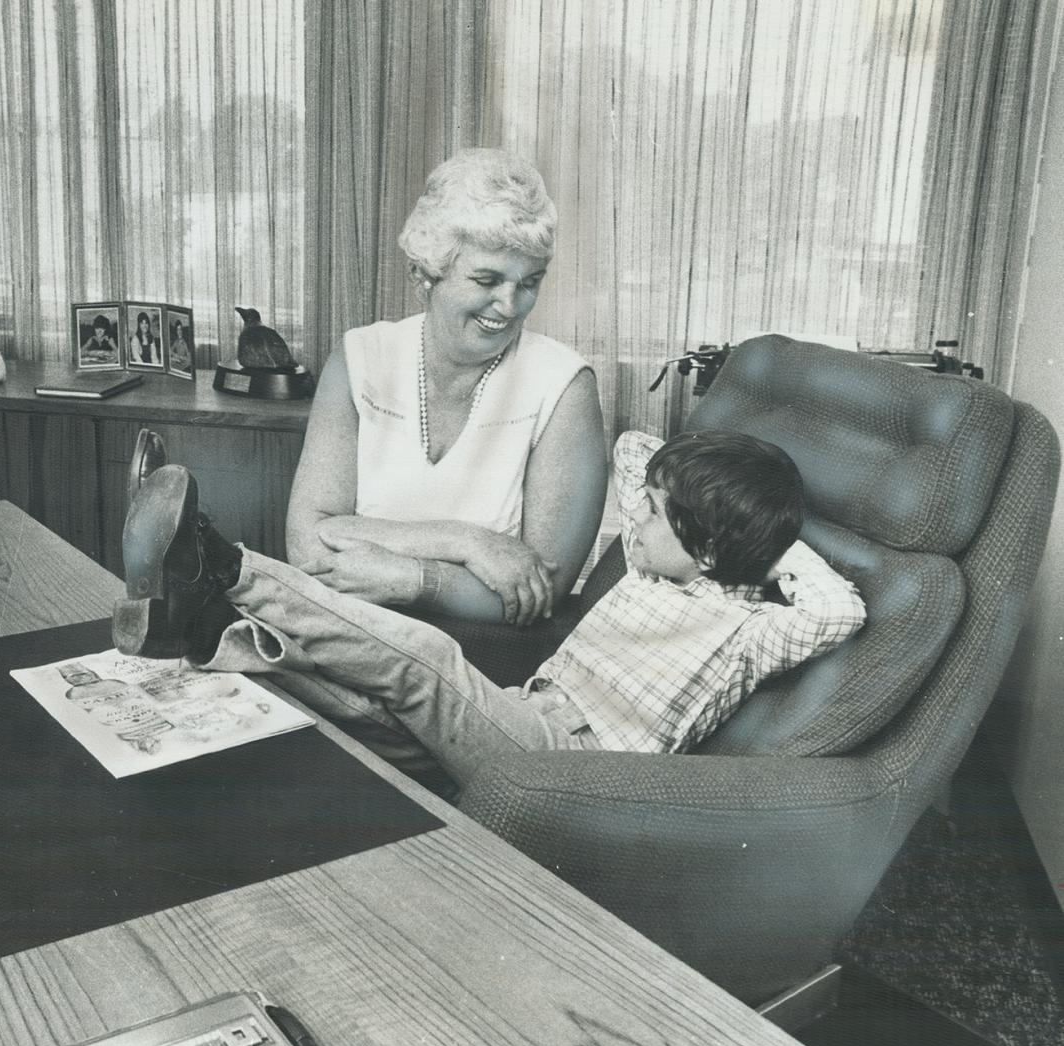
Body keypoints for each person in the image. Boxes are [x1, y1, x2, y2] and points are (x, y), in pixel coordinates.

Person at [113, 429, 866, 792]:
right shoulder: (650, 568)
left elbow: (838, 613)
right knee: (359, 708)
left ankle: (222, 564)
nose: (634, 519)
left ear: (706, 547)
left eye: (657, 515)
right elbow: (634, 449)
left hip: (573, 770)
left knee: (427, 666)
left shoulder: (749, 633)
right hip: (517, 715)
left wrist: (767, 545)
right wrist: (694, 503)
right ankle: (205, 627)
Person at [287, 148, 608, 628]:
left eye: (530, 282)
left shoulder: (563, 386)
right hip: (350, 629)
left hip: (487, 656)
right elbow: (308, 545)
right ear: (424, 273)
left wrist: (410, 579)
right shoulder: (359, 359)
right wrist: (468, 543)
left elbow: (539, 591)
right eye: (487, 279)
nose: (510, 305)